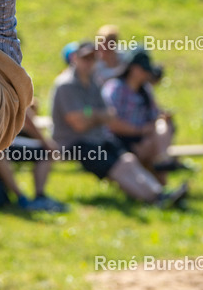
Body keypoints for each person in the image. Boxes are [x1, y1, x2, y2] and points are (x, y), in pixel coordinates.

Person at [51, 41, 187, 206]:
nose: (89, 63)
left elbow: (109, 115)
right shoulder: (66, 85)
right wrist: (95, 115)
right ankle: (153, 199)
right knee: (116, 167)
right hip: (74, 144)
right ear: (75, 58)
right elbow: (79, 124)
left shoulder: (94, 82)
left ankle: (159, 193)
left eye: (93, 58)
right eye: (85, 58)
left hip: (96, 138)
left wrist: (89, 115)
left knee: (127, 159)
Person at [101, 49, 183, 178]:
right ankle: (160, 173)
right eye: (143, 70)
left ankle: (163, 162)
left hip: (144, 139)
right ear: (133, 68)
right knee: (151, 149)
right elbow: (111, 123)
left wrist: (161, 119)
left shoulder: (145, 90)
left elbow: (154, 116)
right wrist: (140, 130)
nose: (146, 74)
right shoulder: (115, 88)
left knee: (162, 126)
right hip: (120, 142)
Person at [0, 106, 67, 212]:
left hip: (7, 139)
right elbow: (25, 116)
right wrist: (45, 142)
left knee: (45, 152)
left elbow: (24, 113)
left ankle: (40, 197)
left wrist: (46, 143)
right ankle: (21, 198)